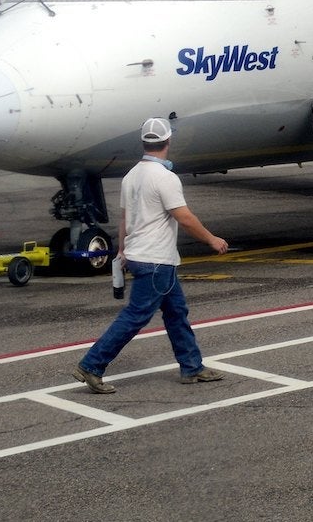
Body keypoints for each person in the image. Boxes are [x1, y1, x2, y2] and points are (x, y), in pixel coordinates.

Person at [72, 117, 229, 393]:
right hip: (155, 259)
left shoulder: (131, 176)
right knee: (135, 316)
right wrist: (211, 239)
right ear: (168, 141)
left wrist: (122, 250)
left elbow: (124, 219)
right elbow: (184, 217)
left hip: (146, 256)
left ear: (144, 142)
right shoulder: (165, 178)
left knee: (176, 312)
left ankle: (192, 367)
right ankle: (92, 364)